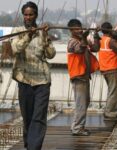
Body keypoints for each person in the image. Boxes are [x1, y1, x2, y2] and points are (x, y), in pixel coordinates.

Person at [11, 1, 56, 150]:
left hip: (42, 80)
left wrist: (46, 38)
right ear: (23, 16)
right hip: (24, 80)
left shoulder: (42, 32)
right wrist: (28, 36)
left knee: (39, 117)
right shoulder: (17, 31)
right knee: (28, 118)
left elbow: (51, 54)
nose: (28, 17)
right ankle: (29, 144)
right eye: (26, 14)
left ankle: (34, 147)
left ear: (36, 15)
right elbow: (16, 49)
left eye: (31, 14)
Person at [67, 19, 100, 136]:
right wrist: (84, 38)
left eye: (80, 27)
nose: (79, 30)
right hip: (78, 76)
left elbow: (96, 48)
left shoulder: (82, 40)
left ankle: (77, 126)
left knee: (85, 102)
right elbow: (80, 49)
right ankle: (77, 128)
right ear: (71, 30)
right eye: (76, 29)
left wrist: (96, 35)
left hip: (84, 76)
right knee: (81, 103)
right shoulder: (72, 42)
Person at [98, 22, 117, 118]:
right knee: (114, 91)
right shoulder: (110, 41)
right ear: (111, 30)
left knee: (112, 90)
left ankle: (112, 110)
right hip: (112, 69)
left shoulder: (102, 40)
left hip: (105, 69)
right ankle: (110, 112)